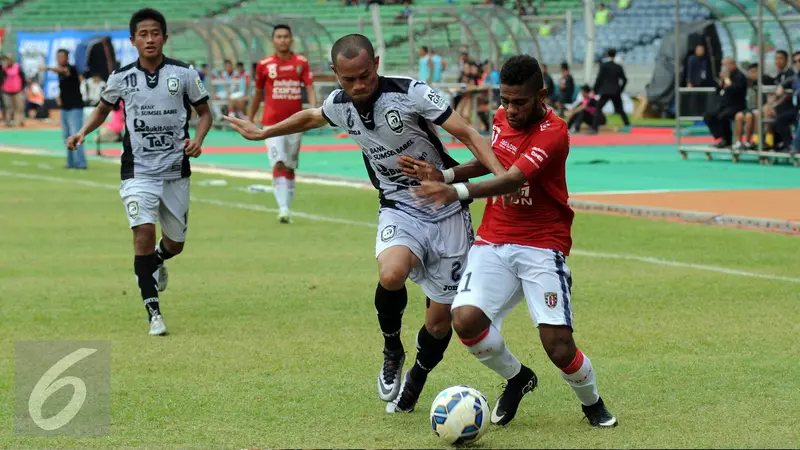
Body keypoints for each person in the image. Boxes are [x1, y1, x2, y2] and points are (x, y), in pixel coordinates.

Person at [225, 33, 506, 414]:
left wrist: (502, 178)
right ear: (335, 75)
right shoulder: (340, 103)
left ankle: (417, 380)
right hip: (398, 205)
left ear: (376, 63)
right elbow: (312, 116)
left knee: (440, 324)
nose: (358, 85)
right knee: (391, 274)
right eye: (348, 79)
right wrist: (264, 131)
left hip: (444, 204)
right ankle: (392, 347)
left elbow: (469, 133)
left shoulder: (412, 93)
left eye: (364, 76)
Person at [400, 54, 618, 428]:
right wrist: (446, 173)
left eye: (520, 101)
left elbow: (514, 179)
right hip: (493, 239)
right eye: (505, 100)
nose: (510, 110)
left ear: (541, 95)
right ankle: (518, 378)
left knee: (557, 344)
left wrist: (458, 192)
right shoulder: (501, 119)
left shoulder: (555, 132)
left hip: (541, 245)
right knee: (465, 321)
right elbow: (490, 161)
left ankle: (592, 402)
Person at [66, 8, 213, 336]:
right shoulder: (122, 77)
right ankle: (154, 313)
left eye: (155, 33)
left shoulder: (184, 74)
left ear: (164, 37)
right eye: (143, 34)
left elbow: (204, 112)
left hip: (176, 169)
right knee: (142, 233)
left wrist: (198, 139)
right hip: (138, 171)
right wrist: (82, 133)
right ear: (133, 40)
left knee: (175, 244)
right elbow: (103, 110)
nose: (150, 39)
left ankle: (157, 261)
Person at [248, 24, 316, 224]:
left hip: (296, 123)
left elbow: (309, 87)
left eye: (286, 36)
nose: (283, 40)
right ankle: (283, 210)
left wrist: (313, 110)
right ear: (273, 41)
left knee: (289, 166)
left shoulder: (301, 62)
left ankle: (287, 206)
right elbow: (258, 92)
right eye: (279, 37)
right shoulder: (264, 64)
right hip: (271, 123)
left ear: (291, 39)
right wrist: (251, 116)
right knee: (278, 162)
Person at [44, 49, 87, 169]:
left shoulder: (71, 69)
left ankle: (81, 162)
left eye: (62, 57)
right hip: (65, 108)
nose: (59, 59)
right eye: (58, 57)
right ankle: (71, 162)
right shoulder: (60, 73)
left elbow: (65, 71)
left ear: (67, 58)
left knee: (76, 135)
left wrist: (48, 68)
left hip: (75, 108)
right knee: (67, 137)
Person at [704, 57, 747, 148]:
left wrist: (727, 79)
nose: (724, 67)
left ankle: (727, 140)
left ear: (732, 64)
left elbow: (735, 89)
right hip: (724, 104)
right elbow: (719, 91)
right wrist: (721, 81)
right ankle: (721, 137)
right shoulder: (726, 76)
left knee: (722, 116)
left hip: (736, 105)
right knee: (708, 115)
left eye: (725, 65)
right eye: (723, 65)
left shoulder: (739, 76)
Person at [591, 48, 629, 133]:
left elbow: (599, 79)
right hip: (616, 91)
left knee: (598, 109)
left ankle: (594, 128)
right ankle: (627, 125)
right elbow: (625, 80)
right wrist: (620, 90)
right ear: (615, 55)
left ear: (607, 54)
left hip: (605, 91)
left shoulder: (603, 65)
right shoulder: (618, 66)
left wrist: (595, 90)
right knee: (620, 109)